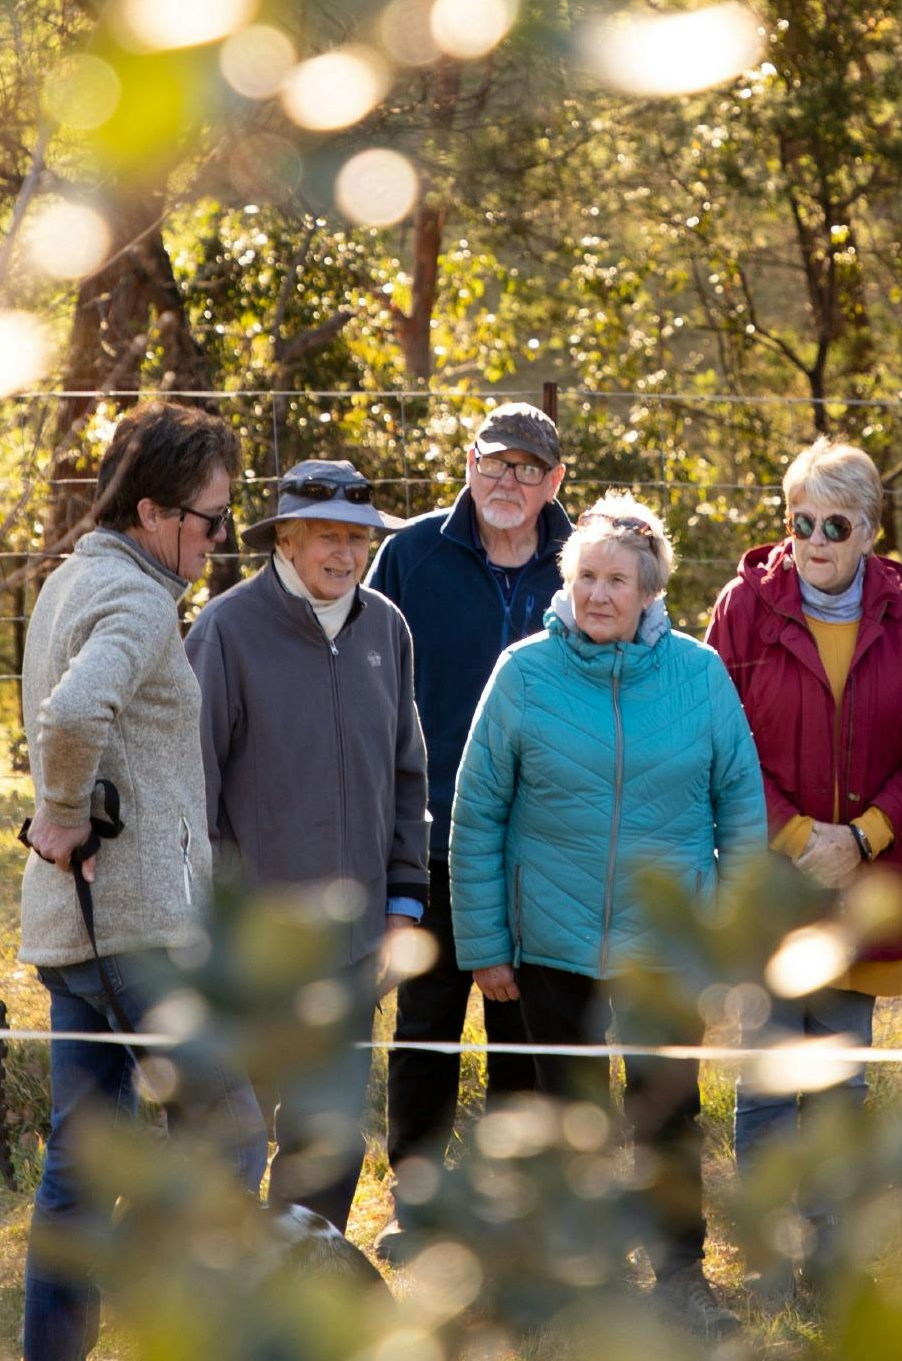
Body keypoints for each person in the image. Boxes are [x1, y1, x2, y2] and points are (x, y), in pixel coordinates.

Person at [450, 494, 766, 1322]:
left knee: (668, 1114)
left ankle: (678, 1276)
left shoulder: (699, 676)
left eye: (616, 580)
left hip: (668, 947)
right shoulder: (523, 673)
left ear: (650, 589)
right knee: (564, 1115)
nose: (597, 594)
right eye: (585, 576)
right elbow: (476, 810)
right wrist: (485, 942)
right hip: (550, 941)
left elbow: (740, 808)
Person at [19, 402, 268, 1361]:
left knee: (78, 1170)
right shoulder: (135, 599)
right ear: (156, 511)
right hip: (137, 933)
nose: (217, 540)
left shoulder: (71, 579)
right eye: (211, 520)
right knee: (230, 1134)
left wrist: (64, 808)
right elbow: (74, 712)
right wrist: (66, 808)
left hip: (78, 932)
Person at [705, 437, 902, 1165]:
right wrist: (794, 837)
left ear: (870, 529)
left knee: (838, 1090)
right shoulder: (742, 609)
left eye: (834, 525)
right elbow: (721, 742)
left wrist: (861, 838)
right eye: (800, 521)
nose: (814, 541)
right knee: (762, 1085)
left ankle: (824, 1260)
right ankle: (763, 1266)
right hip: (765, 881)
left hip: (865, 883)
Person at [188, 458, 426, 1233]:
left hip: (354, 942)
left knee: (326, 1133)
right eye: (328, 536)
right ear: (284, 539)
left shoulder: (386, 627)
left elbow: (406, 771)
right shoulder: (226, 628)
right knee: (232, 1128)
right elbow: (194, 787)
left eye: (359, 539)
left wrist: (401, 900)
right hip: (252, 943)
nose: (347, 555)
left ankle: (307, 1276)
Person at [366, 404, 571, 1242]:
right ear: (467, 465)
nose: (508, 483)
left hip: (547, 845)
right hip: (434, 831)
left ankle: (516, 1215)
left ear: (556, 481)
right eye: (494, 464)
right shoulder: (410, 555)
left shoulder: (586, 561)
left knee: (528, 1033)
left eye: (529, 469)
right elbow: (366, 681)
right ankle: (418, 1210)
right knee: (425, 1028)